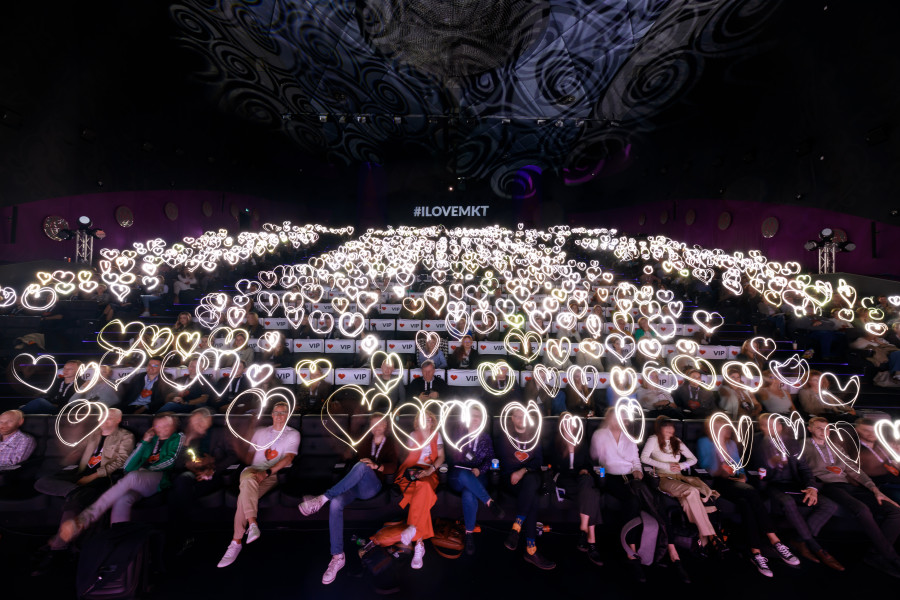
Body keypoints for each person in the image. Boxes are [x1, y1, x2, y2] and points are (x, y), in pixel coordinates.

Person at [299, 413, 399, 584]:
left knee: (362, 466)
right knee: (336, 503)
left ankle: (322, 498)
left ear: (386, 426)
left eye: (380, 424)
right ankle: (338, 556)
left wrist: (376, 466)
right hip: (355, 486)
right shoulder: (365, 441)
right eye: (373, 424)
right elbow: (352, 459)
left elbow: (393, 467)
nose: (376, 427)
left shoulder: (391, 443)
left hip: (373, 486)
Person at [697, 415, 799, 577]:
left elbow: (740, 467)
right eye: (723, 427)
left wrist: (742, 475)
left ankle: (755, 553)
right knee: (751, 491)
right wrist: (721, 467)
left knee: (745, 502)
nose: (728, 429)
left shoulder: (731, 444)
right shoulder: (704, 442)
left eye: (727, 426)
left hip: (735, 482)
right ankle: (775, 540)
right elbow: (705, 467)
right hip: (716, 482)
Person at [57, 413, 184, 543]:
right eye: (158, 426)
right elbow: (127, 467)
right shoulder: (151, 440)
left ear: (174, 426)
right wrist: (144, 442)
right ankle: (117, 541)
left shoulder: (178, 437)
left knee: (133, 476)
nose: (162, 429)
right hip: (138, 480)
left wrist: (145, 470)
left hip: (159, 479)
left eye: (166, 426)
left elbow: (171, 460)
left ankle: (84, 519)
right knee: (123, 499)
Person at [803, 416, 900, 578]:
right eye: (819, 428)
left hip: (846, 485)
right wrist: (810, 486)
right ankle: (893, 557)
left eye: (826, 428)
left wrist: (874, 490)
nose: (823, 431)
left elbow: (854, 470)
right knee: (862, 509)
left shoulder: (836, 447)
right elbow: (800, 469)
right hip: (827, 486)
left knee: (895, 511)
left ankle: (876, 554)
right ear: (810, 429)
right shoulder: (803, 446)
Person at [35, 409, 134, 560]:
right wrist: (69, 457)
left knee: (75, 502)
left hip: (102, 477)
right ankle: (75, 491)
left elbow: (121, 461)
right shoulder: (93, 434)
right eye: (101, 417)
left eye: (108, 418)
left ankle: (58, 546)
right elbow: (78, 449)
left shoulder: (126, 436)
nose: (103, 420)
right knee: (41, 482)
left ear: (118, 420)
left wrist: (92, 476)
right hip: (80, 473)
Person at [751, 414, 843, 570]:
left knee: (829, 505)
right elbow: (754, 471)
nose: (769, 429)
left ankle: (798, 540)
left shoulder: (791, 442)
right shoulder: (756, 442)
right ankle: (816, 548)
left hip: (793, 484)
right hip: (771, 485)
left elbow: (804, 468)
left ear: (780, 426)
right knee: (787, 502)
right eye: (765, 425)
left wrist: (811, 487)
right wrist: (770, 464)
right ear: (761, 427)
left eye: (773, 425)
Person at [218, 401, 299, 568]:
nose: (279, 416)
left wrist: (267, 472)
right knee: (248, 478)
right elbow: (249, 459)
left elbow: (289, 458)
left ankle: (236, 542)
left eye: (283, 412)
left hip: (273, 473)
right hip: (252, 471)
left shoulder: (293, 434)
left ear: (288, 415)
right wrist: (242, 440)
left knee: (243, 497)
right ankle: (252, 524)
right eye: (276, 412)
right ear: (272, 415)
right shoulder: (260, 431)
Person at [640, 417, 720, 550]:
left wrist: (682, 465)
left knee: (687, 502)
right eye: (666, 426)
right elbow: (644, 458)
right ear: (659, 428)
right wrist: (666, 466)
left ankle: (703, 543)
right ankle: (712, 535)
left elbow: (693, 459)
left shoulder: (676, 441)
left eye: (671, 426)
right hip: (663, 478)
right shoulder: (653, 439)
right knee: (692, 491)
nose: (669, 429)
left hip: (679, 477)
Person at [169, 408, 235, 553]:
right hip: (188, 476)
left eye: (202, 422)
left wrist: (214, 466)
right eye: (196, 421)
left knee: (179, 488)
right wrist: (187, 445)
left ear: (209, 422)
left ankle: (180, 537)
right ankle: (183, 536)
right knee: (181, 483)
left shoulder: (219, 433)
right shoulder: (181, 436)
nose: (199, 426)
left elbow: (233, 456)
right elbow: (174, 463)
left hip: (211, 476)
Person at [497, 405, 555, 570]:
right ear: (512, 418)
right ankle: (530, 550)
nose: (521, 418)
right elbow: (505, 461)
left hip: (529, 477)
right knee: (533, 494)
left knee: (531, 480)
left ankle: (516, 529)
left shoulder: (534, 435)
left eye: (524, 415)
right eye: (517, 415)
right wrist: (518, 472)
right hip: (511, 480)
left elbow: (538, 461)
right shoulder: (505, 436)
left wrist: (522, 470)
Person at [446, 404, 504, 555]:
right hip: (458, 475)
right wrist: (468, 437)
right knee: (464, 475)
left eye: (478, 416)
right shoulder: (458, 433)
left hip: (478, 476)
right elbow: (454, 456)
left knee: (469, 493)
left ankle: (469, 534)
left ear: (482, 419)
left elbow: (491, 459)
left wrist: (480, 470)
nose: (475, 418)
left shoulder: (485, 438)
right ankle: (489, 502)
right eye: (472, 415)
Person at [393, 410, 444, 570]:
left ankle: (414, 531)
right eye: (423, 419)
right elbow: (408, 456)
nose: (426, 422)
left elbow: (441, 457)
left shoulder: (437, 435)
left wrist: (429, 471)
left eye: (429, 419)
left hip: (429, 471)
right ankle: (419, 543)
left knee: (424, 486)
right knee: (423, 494)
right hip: (411, 471)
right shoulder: (413, 435)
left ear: (432, 421)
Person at [552, 414, 603, 566]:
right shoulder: (556, 442)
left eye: (571, 423)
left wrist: (585, 469)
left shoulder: (581, 441)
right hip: (565, 477)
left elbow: (588, 463)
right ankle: (591, 541)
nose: (569, 425)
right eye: (566, 423)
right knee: (593, 494)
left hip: (580, 477)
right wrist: (567, 448)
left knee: (587, 482)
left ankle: (583, 530)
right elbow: (554, 465)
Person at [856, 417, 900, 503]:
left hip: (895, 480)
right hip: (882, 485)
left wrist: (897, 454)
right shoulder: (856, 448)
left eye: (874, 431)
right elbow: (868, 470)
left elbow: (894, 463)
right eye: (866, 431)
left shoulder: (882, 445)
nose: (871, 434)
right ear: (857, 430)